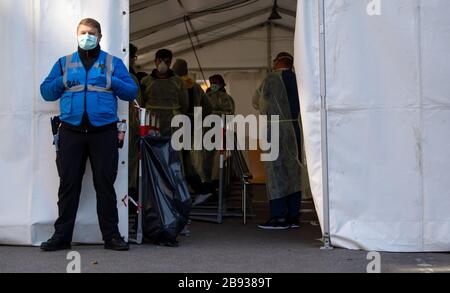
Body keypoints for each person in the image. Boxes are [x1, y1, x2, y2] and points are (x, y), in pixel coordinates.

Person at [40, 18, 138, 251]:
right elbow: (46, 92)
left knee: (105, 185)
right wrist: (62, 81)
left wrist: (111, 80)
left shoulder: (112, 63)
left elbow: (131, 91)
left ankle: (112, 237)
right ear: (77, 35)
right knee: (68, 185)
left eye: (92, 33)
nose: (87, 37)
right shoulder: (64, 64)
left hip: (103, 131)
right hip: (71, 131)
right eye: (83, 33)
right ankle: (61, 237)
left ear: (100, 36)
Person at [253, 52, 303, 230]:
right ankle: (293, 216)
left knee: (276, 172)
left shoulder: (270, 80)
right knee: (294, 172)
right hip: (295, 130)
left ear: (277, 62)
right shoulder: (300, 80)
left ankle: (278, 216)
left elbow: (256, 102)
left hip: (274, 129)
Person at [172, 59, 212, 203]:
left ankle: (182, 195)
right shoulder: (195, 86)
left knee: (176, 160)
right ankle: (199, 189)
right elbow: (208, 106)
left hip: (177, 125)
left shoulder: (174, 84)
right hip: (192, 124)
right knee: (187, 159)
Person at [197, 74, 235, 205]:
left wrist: (214, 113)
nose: (212, 84)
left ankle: (214, 189)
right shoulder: (205, 97)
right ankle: (206, 188)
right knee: (203, 161)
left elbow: (229, 114)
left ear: (221, 84)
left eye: (215, 82)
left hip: (219, 132)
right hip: (204, 133)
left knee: (216, 164)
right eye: (211, 82)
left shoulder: (226, 98)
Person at [141, 49, 189, 137]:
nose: (163, 64)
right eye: (160, 61)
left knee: (173, 148)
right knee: (151, 147)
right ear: (155, 61)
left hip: (173, 121)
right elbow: (141, 102)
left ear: (170, 63)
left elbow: (184, 103)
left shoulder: (178, 81)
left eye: (166, 61)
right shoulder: (145, 81)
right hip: (151, 120)